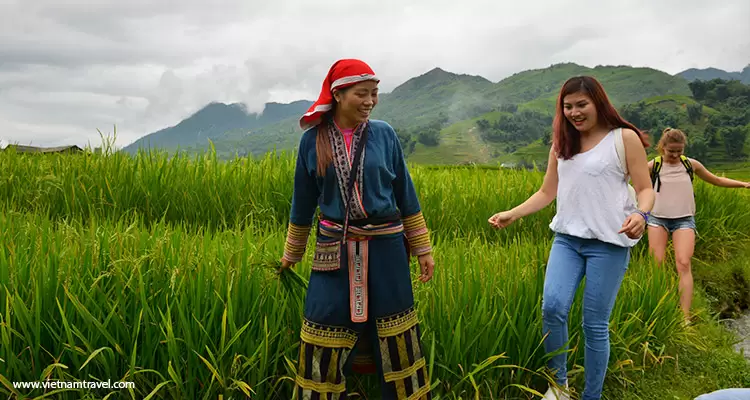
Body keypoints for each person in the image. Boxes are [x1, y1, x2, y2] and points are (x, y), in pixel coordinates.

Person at [488, 76, 655, 400]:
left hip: (608, 243)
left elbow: (645, 189)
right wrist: (513, 212)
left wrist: (641, 214)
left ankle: (592, 396)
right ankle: (558, 387)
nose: (574, 112)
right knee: (552, 307)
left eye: (582, 105)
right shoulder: (562, 144)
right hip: (567, 239)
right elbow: (547, 192)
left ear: (598, 104)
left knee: (594, 324)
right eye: (568, 106)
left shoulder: (623, 138)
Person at [279, 59, 435, 400]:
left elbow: (405, 195)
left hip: (387, 250)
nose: (370, 101)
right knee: (323, 325)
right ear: (338, 95)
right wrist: (291, 255)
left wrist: (423, 249)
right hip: (333, 251)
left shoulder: (385, 134)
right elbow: (302, 204)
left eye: (374, 94)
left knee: (396, 332)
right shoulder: (312, 142)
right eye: (361, 94)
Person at [647, 127, 750, 323]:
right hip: (657, 218)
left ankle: (684, 317)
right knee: (656, 265)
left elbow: (717, 180)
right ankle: (657, 309)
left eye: (680, 150)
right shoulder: (653, 165)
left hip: (684, 219)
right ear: (662, 147)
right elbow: (637, 184)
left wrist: (743, 184)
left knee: (684, 263)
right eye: (671, 151)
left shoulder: (690, 165)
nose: (676, 155)